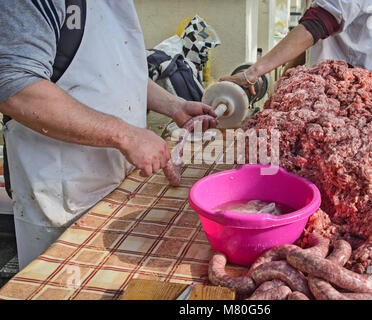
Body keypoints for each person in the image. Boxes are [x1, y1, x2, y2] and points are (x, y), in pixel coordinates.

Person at [0, 1, 217, 270]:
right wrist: (126, 136)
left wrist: (173, 105)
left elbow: (118, 68)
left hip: (116, 185)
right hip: (62, 193)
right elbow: (16, 88)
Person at [221, 0, 372, 93]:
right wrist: (285, 77)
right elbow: (314, 40)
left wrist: (253, 72)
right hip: (339, 83)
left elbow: (316, 25)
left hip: (359, 88)